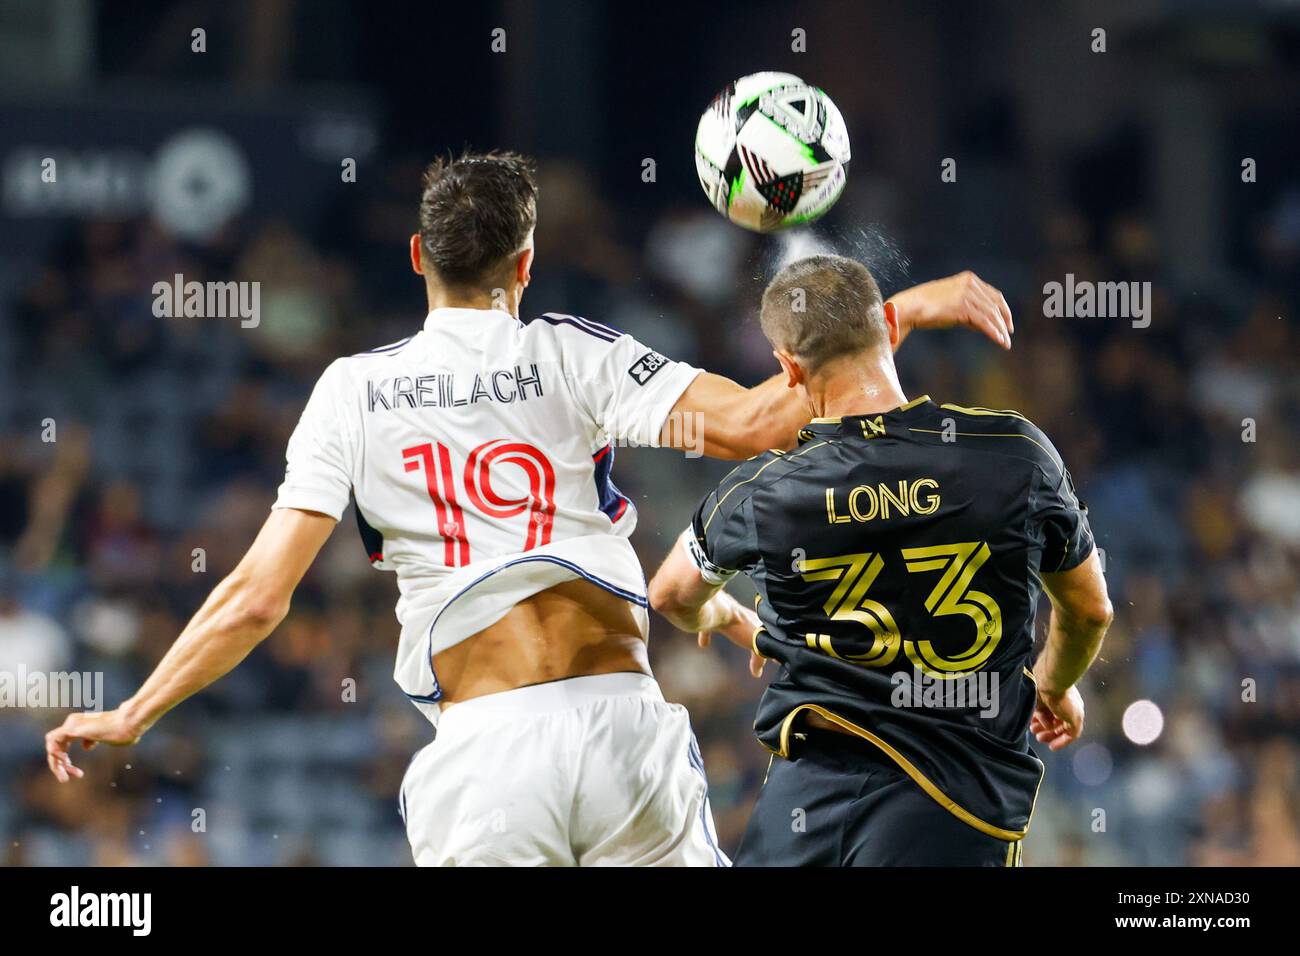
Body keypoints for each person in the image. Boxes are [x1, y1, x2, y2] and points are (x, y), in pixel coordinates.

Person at [46, 152, 1015, 866]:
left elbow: (256, 597)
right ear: (526, 260)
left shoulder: (349, 389)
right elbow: (764, 420)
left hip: (488, 754)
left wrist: (137, 708)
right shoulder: (570, 351)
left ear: (419, 253)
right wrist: (901, 311)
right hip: (626, 730)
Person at [649, 253, 1111, 866]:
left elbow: (671, 594)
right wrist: (1052, 684)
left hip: (807, 808)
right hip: (956, 806)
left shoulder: (765, 491)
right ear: (890, 333)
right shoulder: (1014, 453)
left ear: (788, 369)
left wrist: (730, 621)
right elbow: (1090, 611)